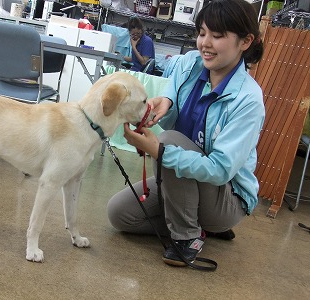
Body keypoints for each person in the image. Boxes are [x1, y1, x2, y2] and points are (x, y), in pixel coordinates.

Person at [107, 0, 265, 267]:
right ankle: (198, 224)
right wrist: (167, 100)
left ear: (246, 41)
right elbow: (172, 87)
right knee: (120, 215)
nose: (205, 43)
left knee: (169, 142)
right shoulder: (191, 64)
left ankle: (188, 236)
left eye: (217, 36)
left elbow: (220, 169)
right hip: (181, 183)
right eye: (202, 33)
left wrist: (159, 151)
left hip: (226, 197)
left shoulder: (248, 100)